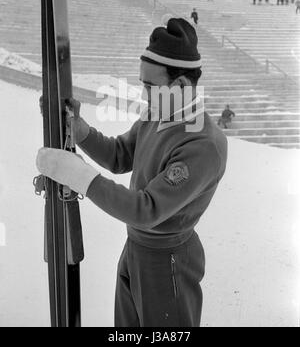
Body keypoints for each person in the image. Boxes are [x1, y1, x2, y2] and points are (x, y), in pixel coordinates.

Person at [36, 18, 228, 328]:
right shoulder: (159, 114)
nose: (144, 95)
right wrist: (81, 131)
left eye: (150, 86)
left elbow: (146, 209)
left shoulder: (204, 143)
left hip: (169, 263)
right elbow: (120, 155)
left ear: (180, 86)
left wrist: (80, 176)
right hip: (135, 249)